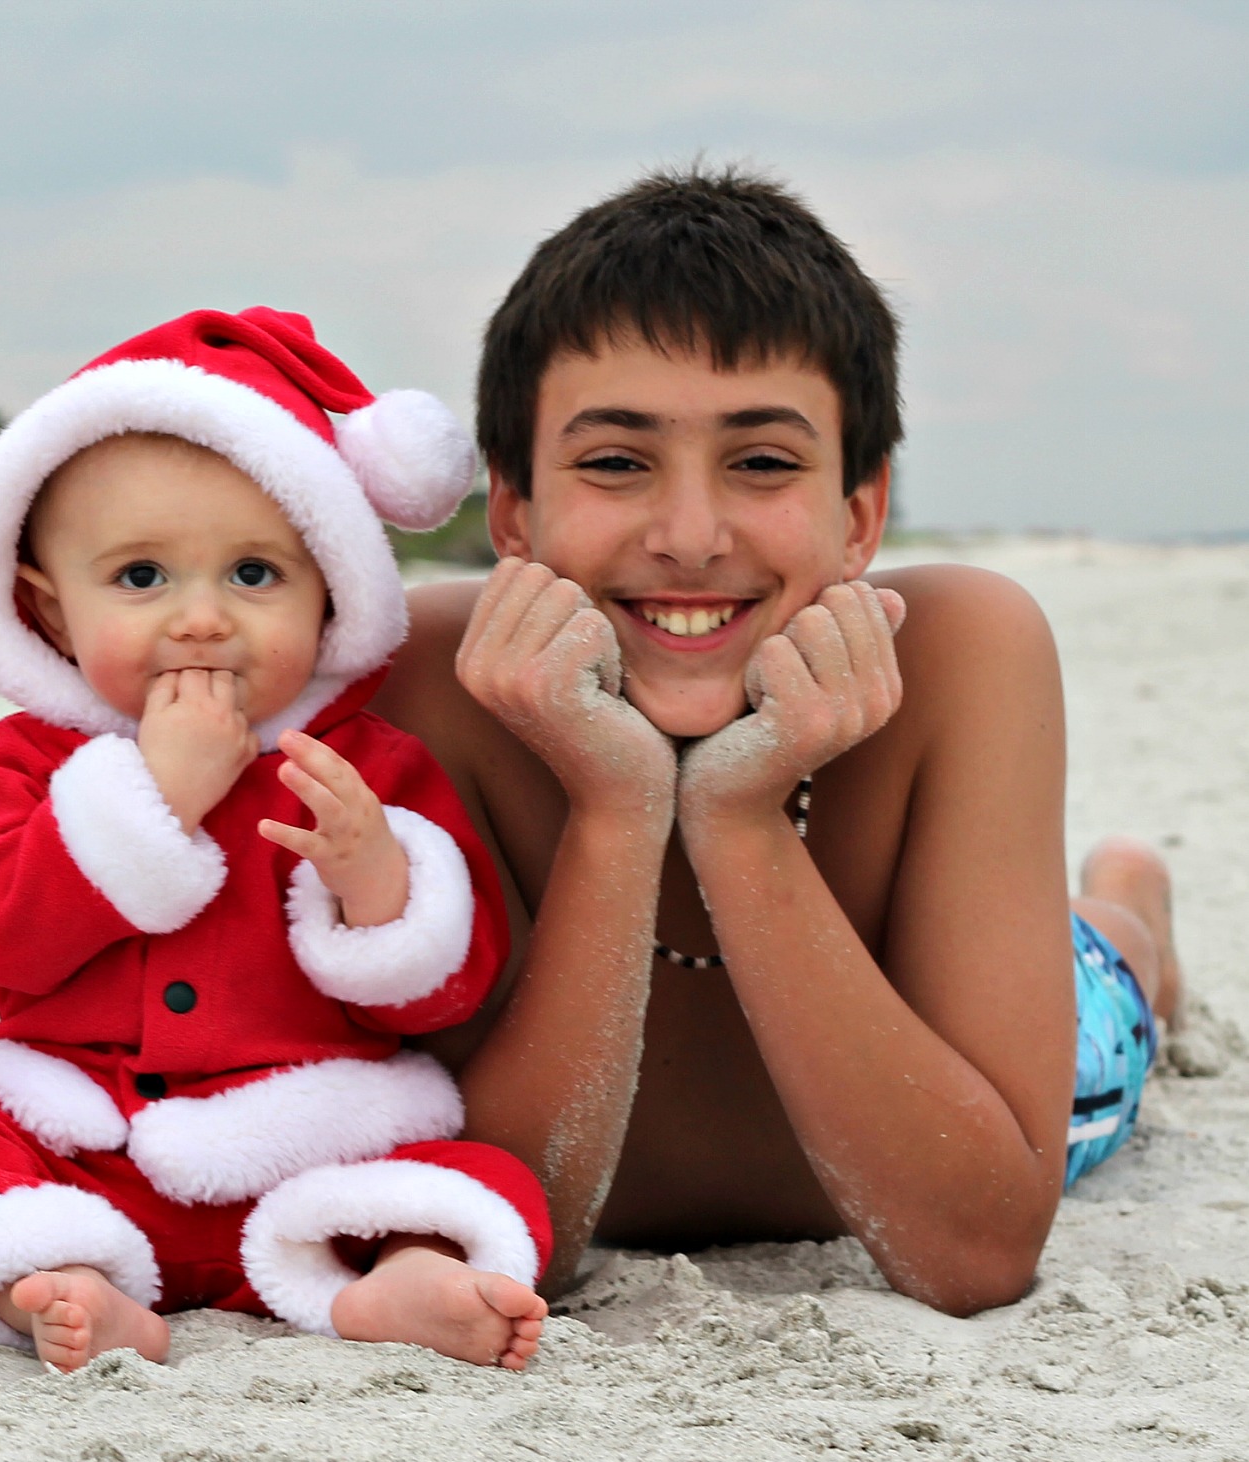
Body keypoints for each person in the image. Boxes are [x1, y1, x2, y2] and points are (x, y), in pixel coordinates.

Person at [371, 166, 1181, 1317]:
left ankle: (1131, 913)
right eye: (614, 461)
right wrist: (616, 813)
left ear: (858, 514)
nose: (691, 536)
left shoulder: (959, 654)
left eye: (760, 462)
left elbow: (974, 1253)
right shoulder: (420, 684)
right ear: (511, 509)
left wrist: (741, 820)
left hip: (1021, 1050)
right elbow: (506, 1245)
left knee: (1104, 985)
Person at [0, 309, 555, 1372]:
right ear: (47, 608)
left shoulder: (362, 763)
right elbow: (8, 945)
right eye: (140, 578)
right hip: (85, 1139)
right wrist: (147, 796)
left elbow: (443, 996)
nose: (203, 618)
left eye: (255, 575)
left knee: (492, 1174)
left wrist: (374, 879)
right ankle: (59, 1277)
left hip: (304, 1146)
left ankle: (403, 1273)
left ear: (331, 592)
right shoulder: (26, 763)